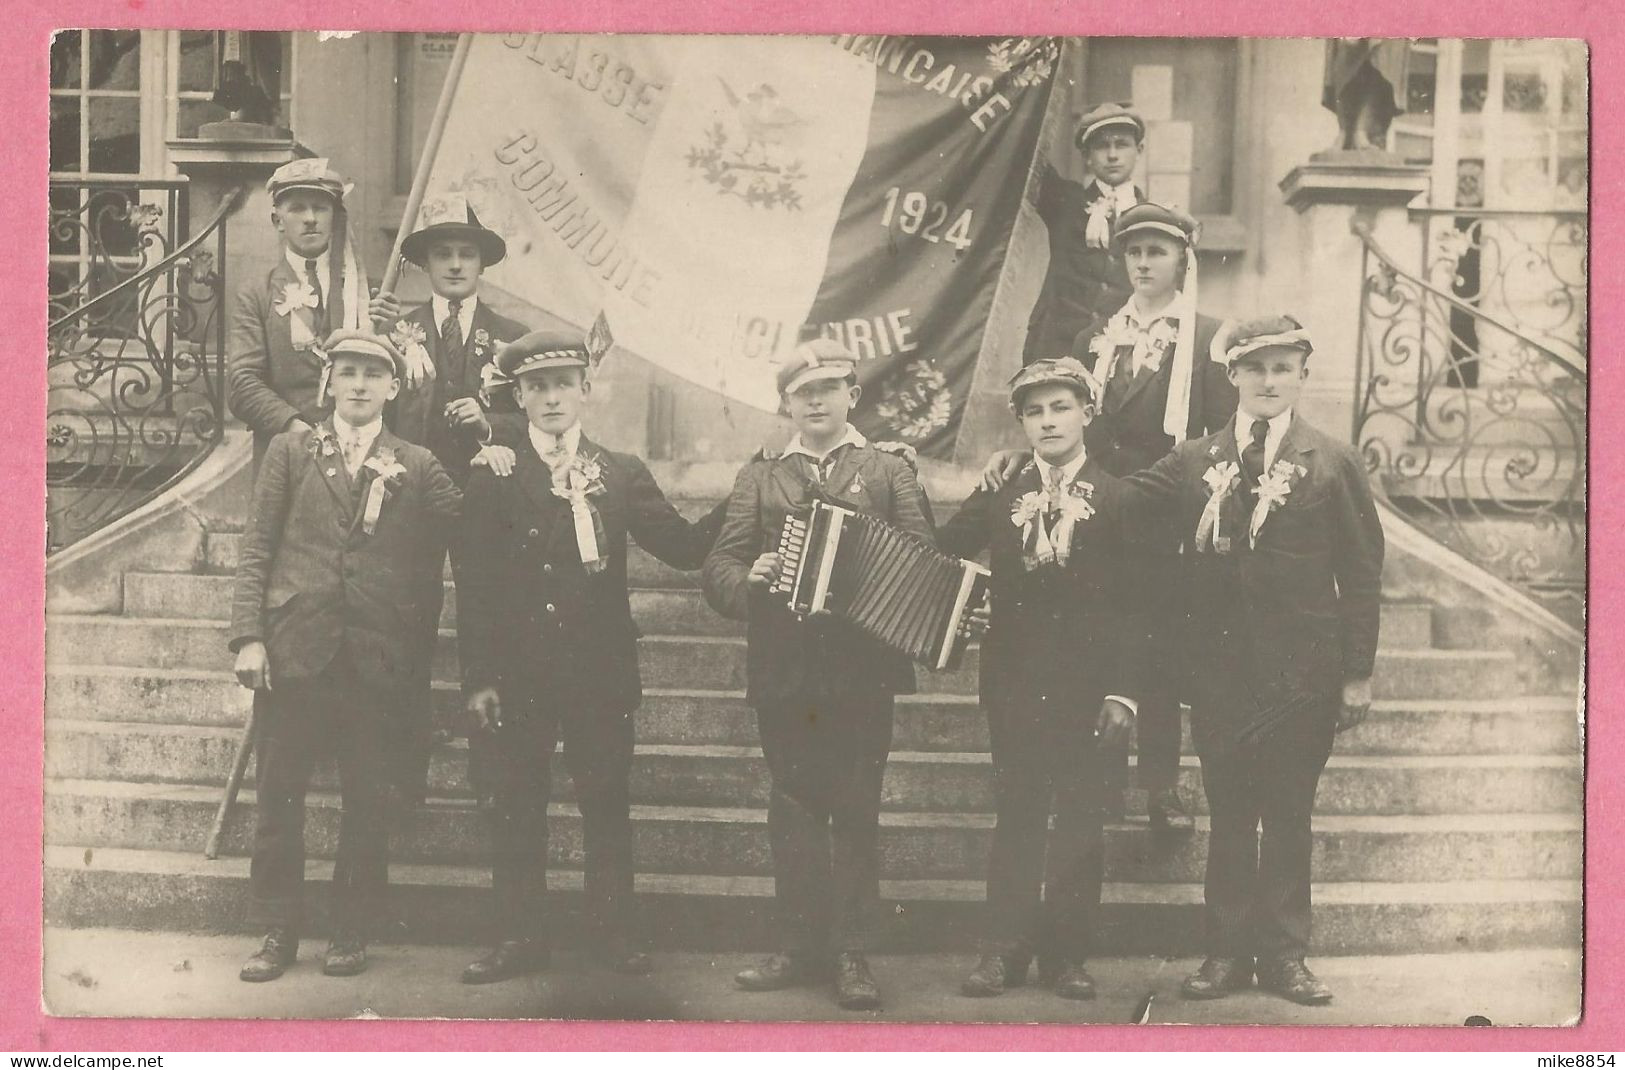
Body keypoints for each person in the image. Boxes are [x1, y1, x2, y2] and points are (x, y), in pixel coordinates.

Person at [1118, 315, 1384, 1005]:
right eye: (1255, 367)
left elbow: (1360, 573)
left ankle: (1286, 958)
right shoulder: (1192, 459)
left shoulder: (1333, 460)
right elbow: (1114, 503)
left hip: (1303, 675)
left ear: (1300, 374)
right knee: (1231, 814)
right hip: (1219, 675)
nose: (1269, 381)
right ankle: (1225, 954)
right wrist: (1034, 471)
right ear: (1230, 376)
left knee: (1289, 814)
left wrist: (1356, 672)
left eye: (1282, 366)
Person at [455, 328, 724, 982]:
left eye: (562, 385)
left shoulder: (619, 470)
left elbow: (684, 548)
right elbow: (474, 580)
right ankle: (520, 938)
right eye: (536, 387)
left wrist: (748, 490)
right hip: (518, 674)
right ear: (516, 396)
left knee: (605, 802)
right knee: (517, 803)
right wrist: (480, 678)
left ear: (585, 390)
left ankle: (611, 934)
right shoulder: (497, 470)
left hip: (597, 674)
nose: (550, 399)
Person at [982, 202, 1238, 833]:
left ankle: (1160, 785)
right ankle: (1089, 775)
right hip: (1092, 507)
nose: (1145, 263)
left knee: (1157, 643)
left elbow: (1221, 435)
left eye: (1158, 251)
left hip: (1165, 513)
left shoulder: (1206, 335)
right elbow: (1067, 419)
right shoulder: (1094, 336)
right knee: (1095, 637)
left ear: (1183, 259)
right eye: (1134, 252)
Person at [701, 338, 934, 1012]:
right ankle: (800, 945)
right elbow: (718, 567)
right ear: (785, 403)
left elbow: (924, 557)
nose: (818, 401)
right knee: (793, 808)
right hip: (786, 668)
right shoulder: (760, 475)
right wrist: (750, 577)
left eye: (830, 388)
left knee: (856, 807)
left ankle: (853, 952)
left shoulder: (888, 469)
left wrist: (885, 582)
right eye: (804, 392)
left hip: (862, 669)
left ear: (852, 396)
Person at [228, 330, 461, 982]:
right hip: (296, 649)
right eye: (348, 372)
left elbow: (468, 520)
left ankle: (350, 929)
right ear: (329, 380)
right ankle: (278, 930)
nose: (359, 384)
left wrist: (500, 455)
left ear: (393, 386)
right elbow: (257, 547)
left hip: (374, 658)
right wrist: (248, 635)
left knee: (368, 799)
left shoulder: (415, 462)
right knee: (279, 797)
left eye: (373, 374)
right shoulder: (292, 449)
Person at [934, 357, 1148, 1001]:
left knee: (1082, 820)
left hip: (1091, 690)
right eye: (1035, 411)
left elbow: (1143, 607)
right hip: (1016, 680)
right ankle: (1004, 949)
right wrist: (965, 607)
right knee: (1018, 814)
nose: (1049, 421)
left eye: (1061, 407)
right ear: (1021, 423)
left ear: (1087, 413)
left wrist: (1124, 691)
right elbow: (943, 552)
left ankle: (1066, 956)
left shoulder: (1120, 496)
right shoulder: (1000, 488)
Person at [365, 194, 532, 809]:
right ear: (425, 263)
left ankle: (491, 776)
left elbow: (532, 425)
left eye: (467, 254)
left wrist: (492, 424)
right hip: (409, 498)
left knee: (488, 626)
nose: (456, 265)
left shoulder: (512, 342)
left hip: (487, 502)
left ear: (482, 264)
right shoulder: (390, 331)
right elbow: (360, 411)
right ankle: (403, 776)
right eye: (444, 254)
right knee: (406, 625)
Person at [227, 158, 431, 462]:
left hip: (362, 454)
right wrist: (295, 428)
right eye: (297, 208)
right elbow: (243, 383)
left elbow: (401, 386)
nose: (310, 218)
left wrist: (389, 334)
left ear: (334, 217)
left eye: (320, 208)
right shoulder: (257, 293)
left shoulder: (370, 293)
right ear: (277, 220)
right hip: (289, 453)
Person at [1022, 102, 1146, 362]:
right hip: (1058, 348)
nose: (1112, 155)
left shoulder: (1151, 217)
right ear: (1087, 156)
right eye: (1102, 146)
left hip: (1121, 355)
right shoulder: (1064, 201)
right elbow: (1025, 151)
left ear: (1139, 150)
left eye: (1122, 144)